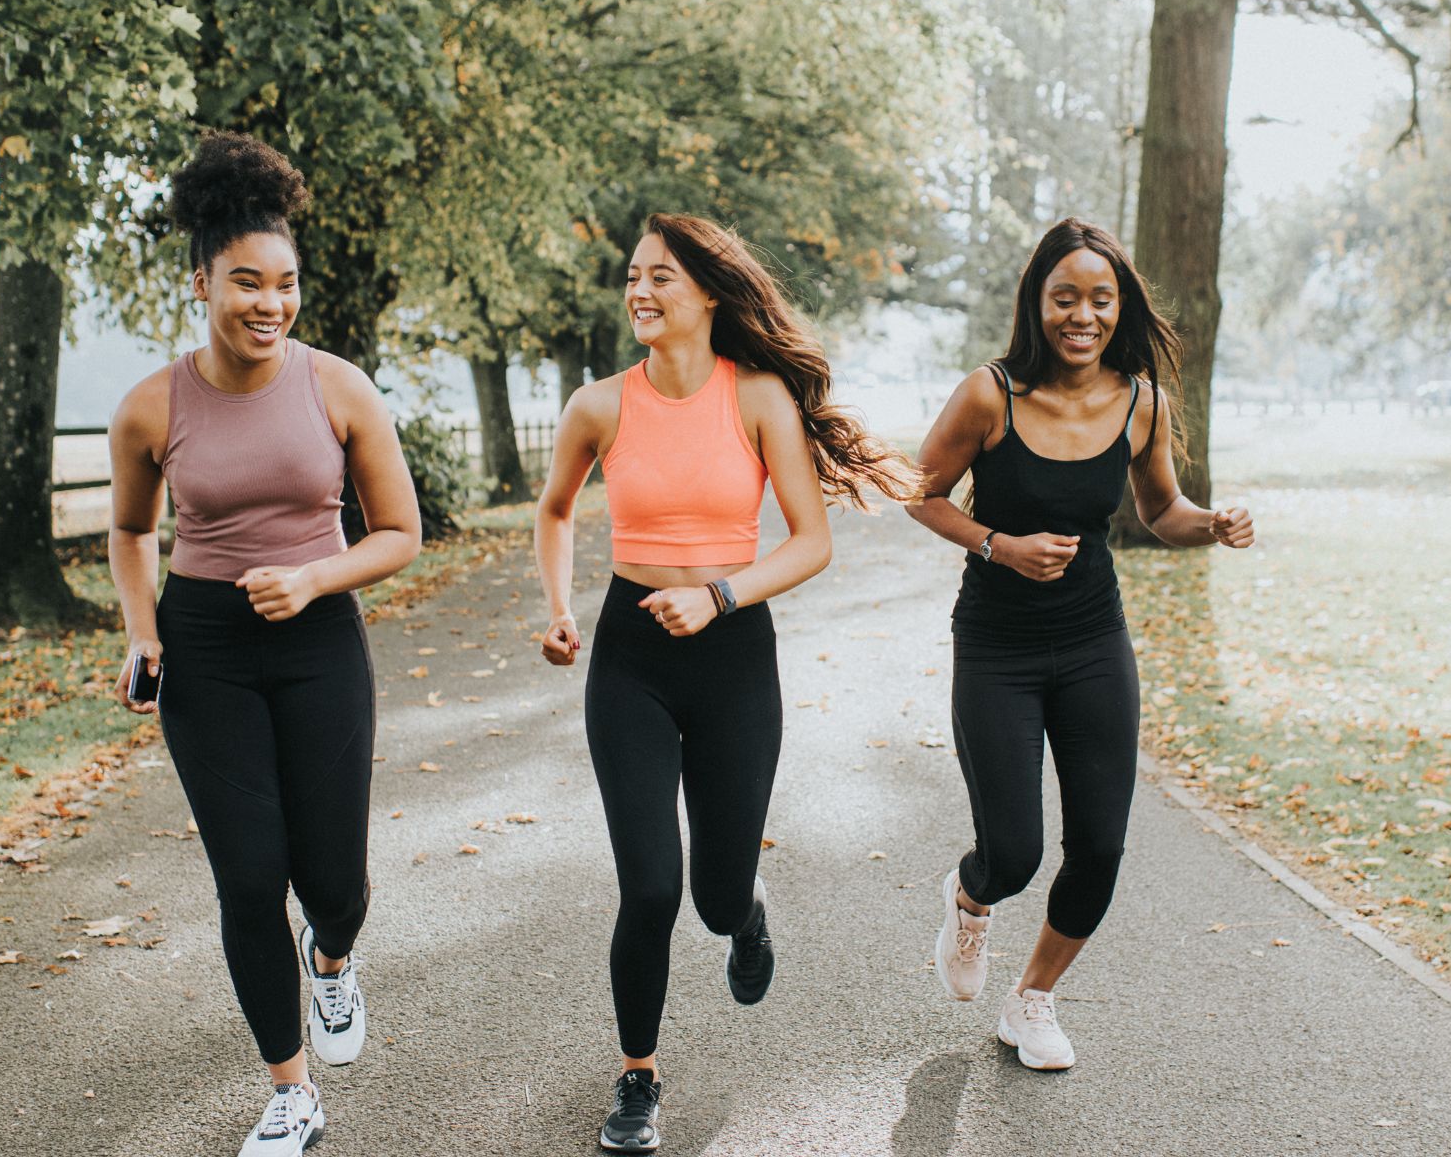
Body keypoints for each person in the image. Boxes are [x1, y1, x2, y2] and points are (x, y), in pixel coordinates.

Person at [534, 213, 913, 1152]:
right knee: (651, 887)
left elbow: (811, 542)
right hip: (630, 658)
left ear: (708, 291)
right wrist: (559, 608)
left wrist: (719, 596)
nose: (640, 292)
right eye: (632, 276)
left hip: (733, 654)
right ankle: (637, 1079)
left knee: (710, 895)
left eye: (661, 277)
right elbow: (553, 511)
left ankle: (745, 912)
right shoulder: (599, 405)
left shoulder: (760, 399)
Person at [106, 131, 421, 1156]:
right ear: (202, 282)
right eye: (247, 283)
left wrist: (314, 576)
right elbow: (130, 530)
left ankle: (332, 962)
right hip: (207, 648)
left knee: (332, 882)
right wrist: (143, 634)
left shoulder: (338, 388)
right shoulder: (152, 406)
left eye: (285, 285)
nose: (270, 305)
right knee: (248, 875)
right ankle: (291, 1094)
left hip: (320, 637)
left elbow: (401, 534)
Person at [905, 218, 1255, 1071]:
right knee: (1015, 851)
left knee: (1099, 843)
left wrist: (1210, 523)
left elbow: (1160, 510)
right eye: (1066, 297)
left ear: (1120, 306)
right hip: (997, 649)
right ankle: (971, 894)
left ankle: (1033, 1002)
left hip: (1096, 640)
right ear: (1038, 303)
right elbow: (920, 493)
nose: (1083, 315)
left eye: (1101, 298)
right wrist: (999, 544)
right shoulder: (991, 394)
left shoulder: (1141, 400)